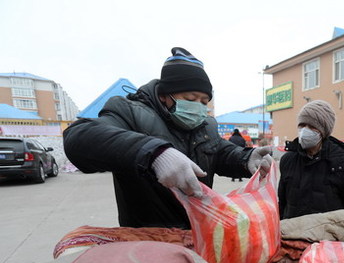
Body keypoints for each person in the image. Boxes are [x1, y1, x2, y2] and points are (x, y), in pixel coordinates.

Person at [64, 47, 272, 229]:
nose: (198, 107)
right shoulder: (129, 112)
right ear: (164, 95)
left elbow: (219, 152)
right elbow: (78, 138)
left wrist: (245, 158)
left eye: (204, 101)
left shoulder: (205, 125)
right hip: (148, 238)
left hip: (200, 231)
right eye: (190, 99)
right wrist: (154, 153)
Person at [278, 99, 344, 219]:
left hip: (327, 234)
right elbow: (282, 200)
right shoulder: (288, 160)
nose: (305, 130)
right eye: (302, 125)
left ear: (324, 131)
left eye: (312, 126)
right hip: (292, 232)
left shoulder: (342, 163)